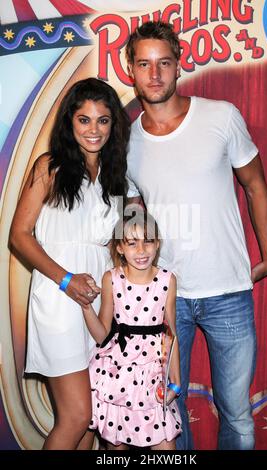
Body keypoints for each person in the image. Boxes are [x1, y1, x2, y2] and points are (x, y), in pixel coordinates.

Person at [125, 21, 267, 450]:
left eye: (164, 64)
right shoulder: (127, 140)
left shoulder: (221, 116)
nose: (154, 75)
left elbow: (256, 186)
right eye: (144, 64)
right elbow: (133, 215)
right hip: (163, 297)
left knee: (238, 417)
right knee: (167, 412)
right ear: (130, 72)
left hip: (227, 290)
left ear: (178, 67)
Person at [9, 77, 130, 450]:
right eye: (84, 120)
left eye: (103, 120)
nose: (94, 130)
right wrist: (66, 281)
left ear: (113, 125)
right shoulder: (51, 166)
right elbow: (19, 236)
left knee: (92, 420)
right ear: (70, 122)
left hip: (97, 305)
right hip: (59, 299)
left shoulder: (114, 177)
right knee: (77, 415)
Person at [81, 210, 182, 450]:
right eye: (132, 243)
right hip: (117, 374)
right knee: (117, 449)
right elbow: (102, 334)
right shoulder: (111, 278)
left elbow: (171, 334)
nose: (141, 250)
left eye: (148, 241)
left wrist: (176, 381)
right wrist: (86, 307)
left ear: (157, 244)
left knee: (166, 447)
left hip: (153, 374)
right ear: (119, 248)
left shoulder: (168, 280)